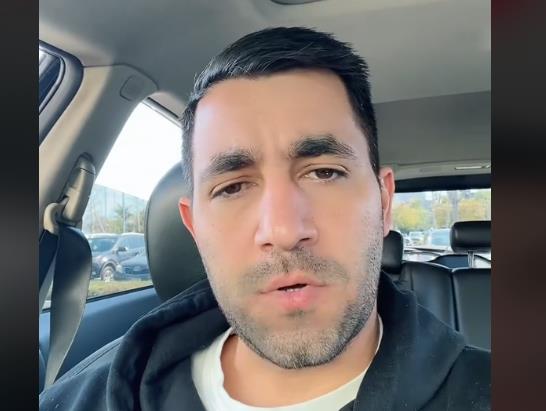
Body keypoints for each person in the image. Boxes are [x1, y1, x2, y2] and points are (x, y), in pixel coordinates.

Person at [40, 27, 490, 410]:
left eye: (324, 172)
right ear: (194, 227)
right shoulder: (83, 398)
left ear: (384, 202)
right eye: (232, 187)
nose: (284, 231)